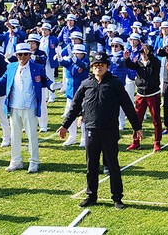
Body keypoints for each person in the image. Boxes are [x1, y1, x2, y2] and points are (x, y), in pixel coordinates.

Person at [59, 51, 143, 209]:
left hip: (110, 130)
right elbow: (75, 106)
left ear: (107, 67)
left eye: (102, 65)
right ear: (92, 67)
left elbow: (127, 105)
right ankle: (91, 196)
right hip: (91, 129)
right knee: (91, 165)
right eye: (96, 65)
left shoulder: (115, 83)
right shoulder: (86, 84)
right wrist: (65, 125)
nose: (99, 68)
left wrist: (136, 126)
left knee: (112, 164)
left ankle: (117, 198)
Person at [0, 43, 50, 173]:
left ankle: (34, 161)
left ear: (30, 55)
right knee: (15, 135)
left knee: (32, 135)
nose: (22, 57)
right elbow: (2, 81)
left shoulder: (37, 67)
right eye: (19, 54)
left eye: (25, 54)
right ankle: (15, 161)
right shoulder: (11, 67)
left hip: (29, 107)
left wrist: (52, 85)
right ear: (16, 55)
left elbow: (45, 80)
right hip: (14, 106)